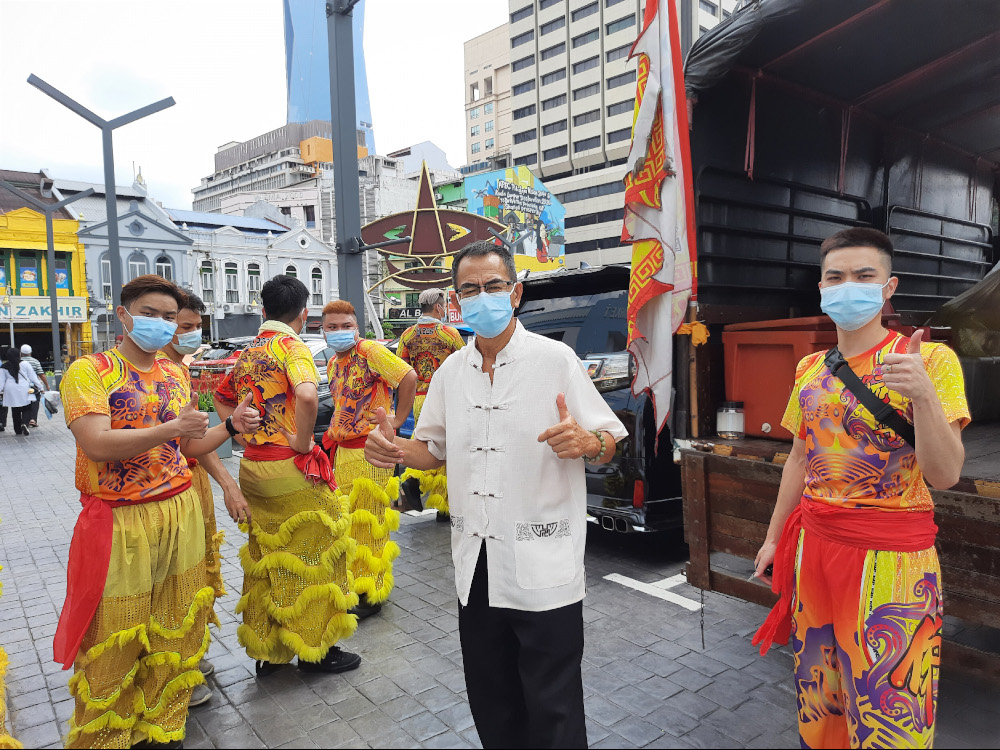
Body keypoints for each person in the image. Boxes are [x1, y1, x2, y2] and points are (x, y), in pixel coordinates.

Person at [365, 241, 627, 749]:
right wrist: (397, 449)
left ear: (516, 293)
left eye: (493, 286)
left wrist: (588, 442)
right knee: (492, 701)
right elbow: (433, 450)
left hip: (543, 564)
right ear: (456, 302)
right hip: (476, 563)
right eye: (469, 289)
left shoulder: (556, 361)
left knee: (554, 708)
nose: (482, 296)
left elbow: (610, 439)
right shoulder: (449, 373)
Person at [751, 228, 969, 749]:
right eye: (836, 277)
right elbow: (800, 458)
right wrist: (774, 538)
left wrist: (922, 396)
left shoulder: (932, 363)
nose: (849, 286)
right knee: (820, 697)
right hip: (816, 549)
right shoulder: (810, 368)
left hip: (891, 561)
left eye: (864, 276)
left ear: (888, 287)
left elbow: (946, 475)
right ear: (821, 289)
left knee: (888, 705)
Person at [55, 274, 261, 749]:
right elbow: (96, 443)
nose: (162, 325)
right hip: (121, 519)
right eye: (150, 314)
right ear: (123, 315)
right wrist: (169, 428)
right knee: (117, 635)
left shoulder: (175, 373)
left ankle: (162, 725)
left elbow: (192, 444)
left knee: (177, 624)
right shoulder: (90, 371)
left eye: (169, 318)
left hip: (179, 509)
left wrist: (229, 424)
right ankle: (108, 736)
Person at [214, 276, 361, 676]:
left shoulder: (249, 351)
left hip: (252, 467)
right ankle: (315, 649)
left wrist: (240, 429)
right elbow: (309, 394)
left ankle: (270, 651)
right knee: (313, 554)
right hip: (288, 467)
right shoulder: (290, 346)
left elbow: (221, 396)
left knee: (266, 557)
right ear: (304, 315)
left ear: (263, 311)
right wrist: (300, 442)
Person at [160, 291, 246, 707]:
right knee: (173, 581)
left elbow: (195, 443)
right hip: (154, 494)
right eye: (181, 325)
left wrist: (226, 482)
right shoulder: (125, 373)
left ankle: (192, 655)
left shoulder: (180, 370)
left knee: (198, 573)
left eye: (195, 326)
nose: (189, 333)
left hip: (191, 486)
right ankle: (176, 668)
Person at [321, 300, 416, 617]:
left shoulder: (369, 351)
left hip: (371, 449)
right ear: (322, 331)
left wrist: (397, 420)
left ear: (356, 327)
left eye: (345, 325)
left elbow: (407, 377)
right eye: (331, 327)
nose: (339, 332)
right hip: (343, 452)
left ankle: (371, 592)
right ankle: (354, 585)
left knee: (370, 521)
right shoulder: (334, 362)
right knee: (348, 523)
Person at [397, 288, 465, 521]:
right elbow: (465, 366)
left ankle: (443, 508)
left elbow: (402, 370)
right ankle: (415, 482)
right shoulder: (449, 333)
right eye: (444, 305)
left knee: (429, 446)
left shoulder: (407, 335)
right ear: (438, 307)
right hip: (446, 397)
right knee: (447, 450)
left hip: (418, 398)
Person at [0, 347, 45, 436]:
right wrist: (41, 387)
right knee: (27, 407)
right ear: (19, 354)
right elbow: (33, 377)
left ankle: (17, 430)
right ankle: (24, 423)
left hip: (10, 389)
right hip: (24, 388)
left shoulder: (4, 367)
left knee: (15, 409)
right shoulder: (25, 364)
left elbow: (1, 381)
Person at [19, 344, 48, 427]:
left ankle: (24, 420)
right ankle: (32, 419)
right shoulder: (35, 361)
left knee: (24, 403)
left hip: (21, 386)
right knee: (35, 402)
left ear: (21, 352)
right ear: (30, 352)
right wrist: (47, 385)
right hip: (33, 386)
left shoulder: (18, 361)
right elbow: (41, 375)